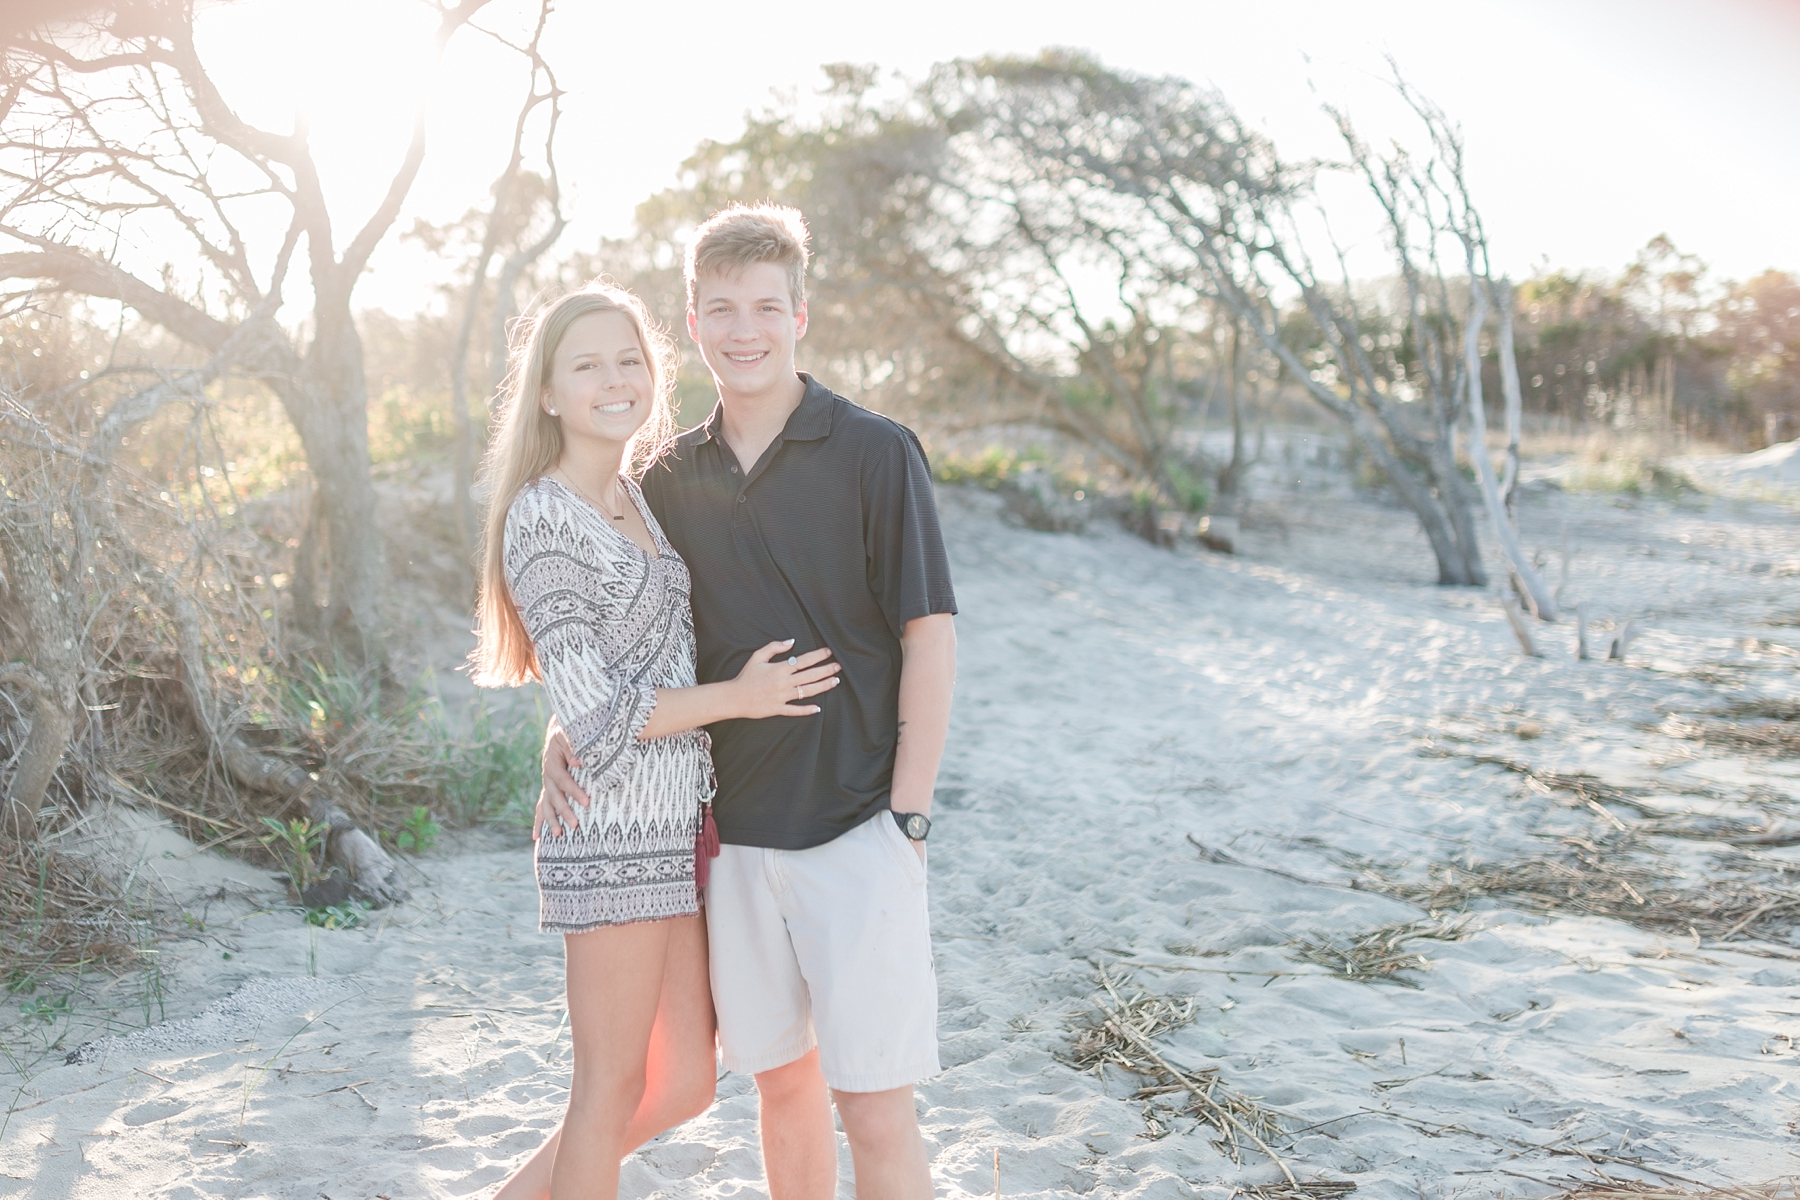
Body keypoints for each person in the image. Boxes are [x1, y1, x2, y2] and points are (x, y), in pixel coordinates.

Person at [539, 205, 958, 1200]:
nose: (745, 329)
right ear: (691, 322)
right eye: (721, 308)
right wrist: (563, 725)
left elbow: (929, 636)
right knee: (782, 1086)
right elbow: (617, 634)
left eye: (767, 306)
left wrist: (909, 814)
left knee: (878, 1111)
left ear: (800, 314)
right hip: (731, 842)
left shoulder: (874, 451)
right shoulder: (665, 478)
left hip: (859, 827)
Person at [471, 283, 843, 1200]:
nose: (615, 380)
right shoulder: (542, 516)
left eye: (630, 359)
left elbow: (614, 679)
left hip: (676, 828)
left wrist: (572, 726)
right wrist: (741, 698)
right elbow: (597, 716)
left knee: (681, 1083)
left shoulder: (639, 497)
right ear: (548, 392)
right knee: (607, 1090)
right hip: (605, 834)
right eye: (587, 365)